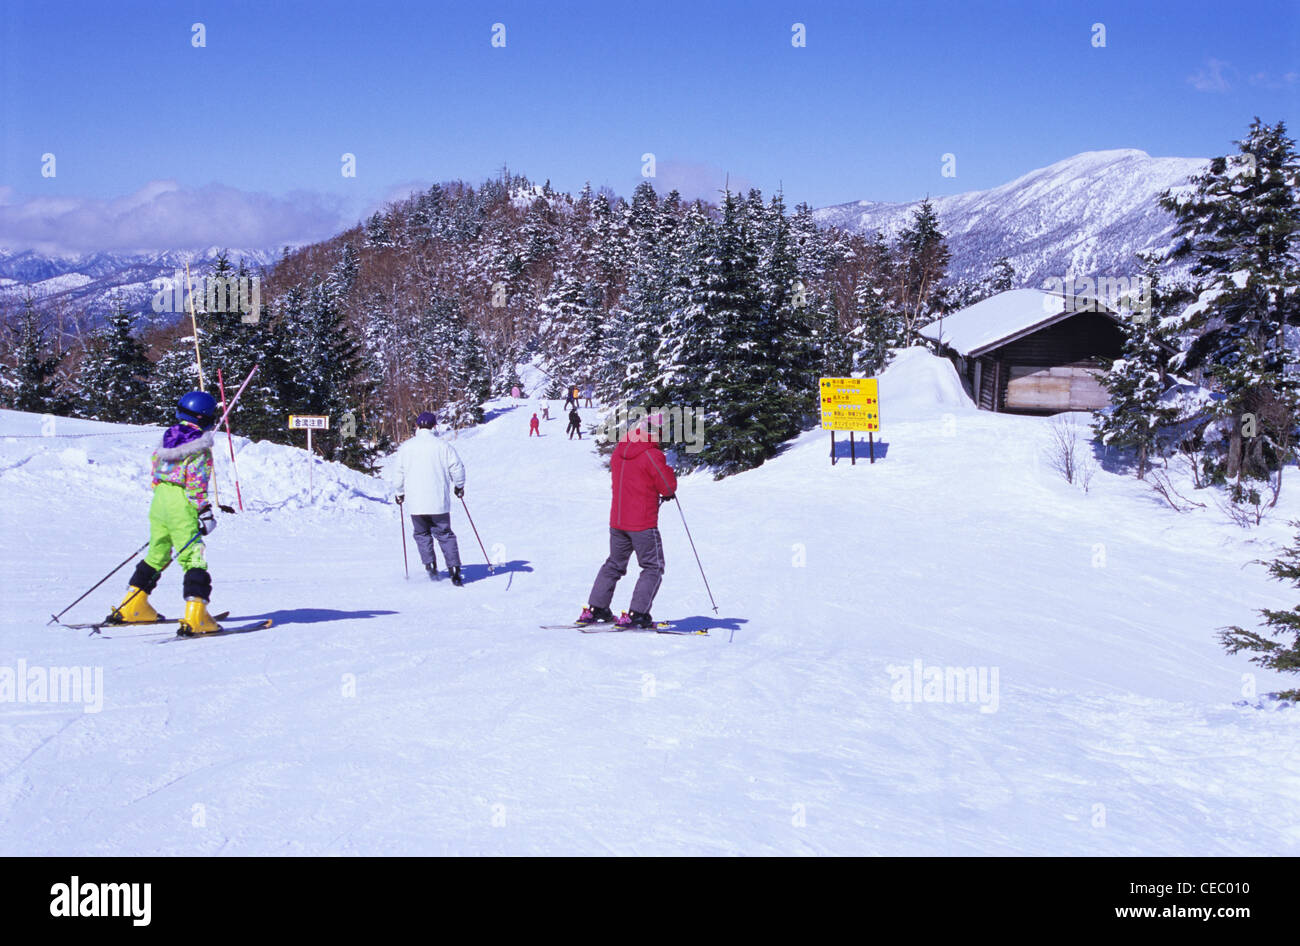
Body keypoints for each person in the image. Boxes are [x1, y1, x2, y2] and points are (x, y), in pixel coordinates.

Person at [111, 391, 222, 635]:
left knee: (157, 552)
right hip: (181, 502)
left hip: (160, 499)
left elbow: (154, 469)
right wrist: (204, 512)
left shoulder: (167, 438)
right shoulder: (199, 448)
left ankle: (133, 605)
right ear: (206, 418)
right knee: (192, 555)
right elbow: (196, 484)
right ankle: (196, 614)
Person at [577, 419, 677, 628]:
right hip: (642, 523)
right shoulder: (652, 454)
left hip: (618, 521)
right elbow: (666, 486)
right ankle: (638, 613)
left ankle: (596, 608)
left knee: (614, 563)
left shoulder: (619, 451)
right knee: (653, 566)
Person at [393, 411, 467, 586]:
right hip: (439, 502)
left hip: (416, 503)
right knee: (445, 534)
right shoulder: (443, 446)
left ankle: (431, 567)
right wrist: (459, 486)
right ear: (435, 426)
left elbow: (398, 473)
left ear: (417, 427)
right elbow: (457, 468)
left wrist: (399, 492)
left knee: (421, 534)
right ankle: (454, 570)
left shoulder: (406, 447)